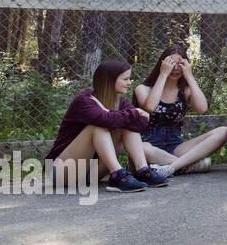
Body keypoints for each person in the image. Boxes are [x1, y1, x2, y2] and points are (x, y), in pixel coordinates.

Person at [44, 60, 169, 192]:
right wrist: (135, 113)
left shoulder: (121, 101)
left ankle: (142, 171)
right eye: (125, 79)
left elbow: (141, 123)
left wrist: (125, 115)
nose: (129, 82)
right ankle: (117, 174)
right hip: (62, 171)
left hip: (92, 173)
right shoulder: (84, 100)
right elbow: (104, 119)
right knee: (97, 127)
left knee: (127, 124)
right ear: (110, 80)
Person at [135, 46, 227, 174]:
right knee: (139, 147)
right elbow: (150, 107)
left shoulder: (185, 91)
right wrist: (163, 74)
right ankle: (186, 165)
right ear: (162, 64)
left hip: (176, 147)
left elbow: (202, 109)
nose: (175, 68)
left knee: (223, 131)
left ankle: (171, 166)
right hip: (150, 147)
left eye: (180, 64)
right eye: (171, 63)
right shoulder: (143, 89)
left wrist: (189, 76)